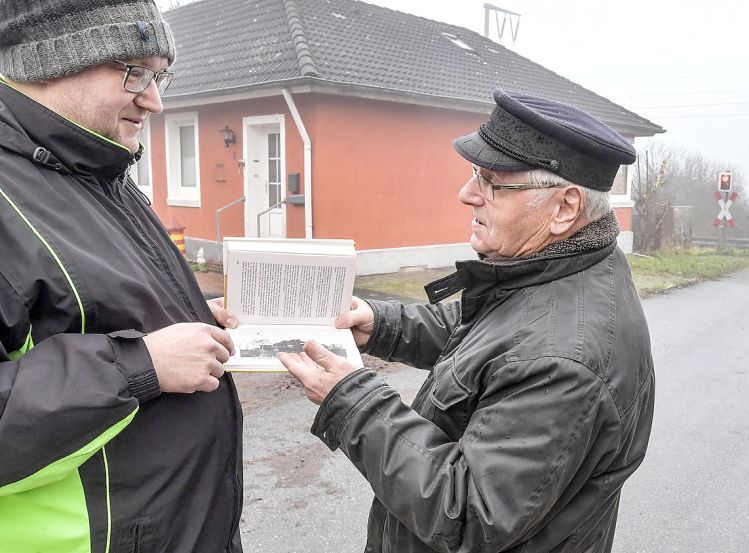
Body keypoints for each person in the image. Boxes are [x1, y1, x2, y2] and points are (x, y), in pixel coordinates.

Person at [280, 89, 656, 552]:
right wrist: (381, 323)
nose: (466, 194)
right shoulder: (562, 270)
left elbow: (469, 514)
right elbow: (493, 333)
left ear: (565, 208)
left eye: (492, 181)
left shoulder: (565, 362)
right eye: (474, 174)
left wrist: (353, 398)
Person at [0, 1, 244, 551]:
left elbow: (92, 307)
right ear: (51, 59)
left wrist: (191, 319)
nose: (155, 100)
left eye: (160, 75)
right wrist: (141, 365)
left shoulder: (100, 169)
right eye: (134, 71)